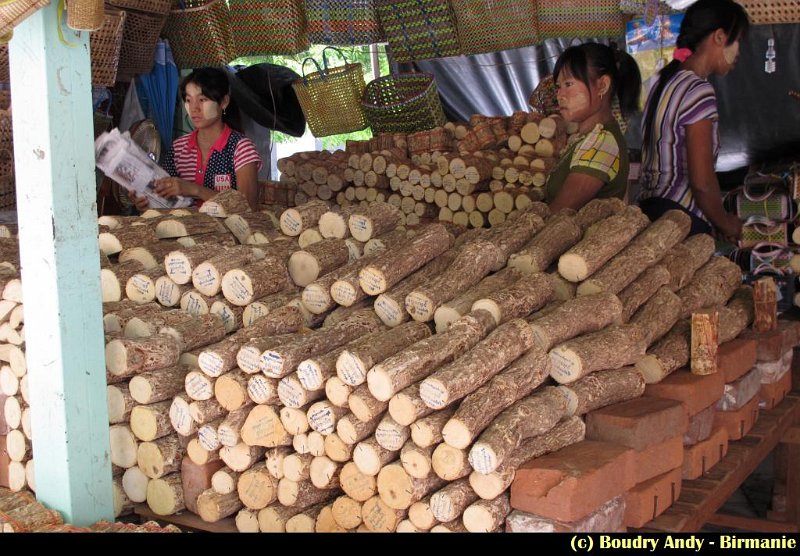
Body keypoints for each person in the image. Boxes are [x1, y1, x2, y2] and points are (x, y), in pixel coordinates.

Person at [636, 0, 749, 242]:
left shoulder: (660, 82)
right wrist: (726, 223)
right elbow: (702, 182)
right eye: (738, 40)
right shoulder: (698, 90)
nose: (739, 51)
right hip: (680, 220)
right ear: (719, 37)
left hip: (649, 213)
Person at [131, 67, 262, 212]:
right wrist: (147, 201)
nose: (194, 108)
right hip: (185, 231)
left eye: (202, 99)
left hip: (227, 233)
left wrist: (195, 190)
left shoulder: (241, 148)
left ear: (224, 102)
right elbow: (167, 201)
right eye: (188, 100)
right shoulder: (179, 149)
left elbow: (249, 206)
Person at [545, 42, 642, 212]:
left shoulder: (601, 143)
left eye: (568, 84)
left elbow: (559, 213)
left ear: (602, 85)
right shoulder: (587, 137)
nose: (559, 95)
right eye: (558, 87)